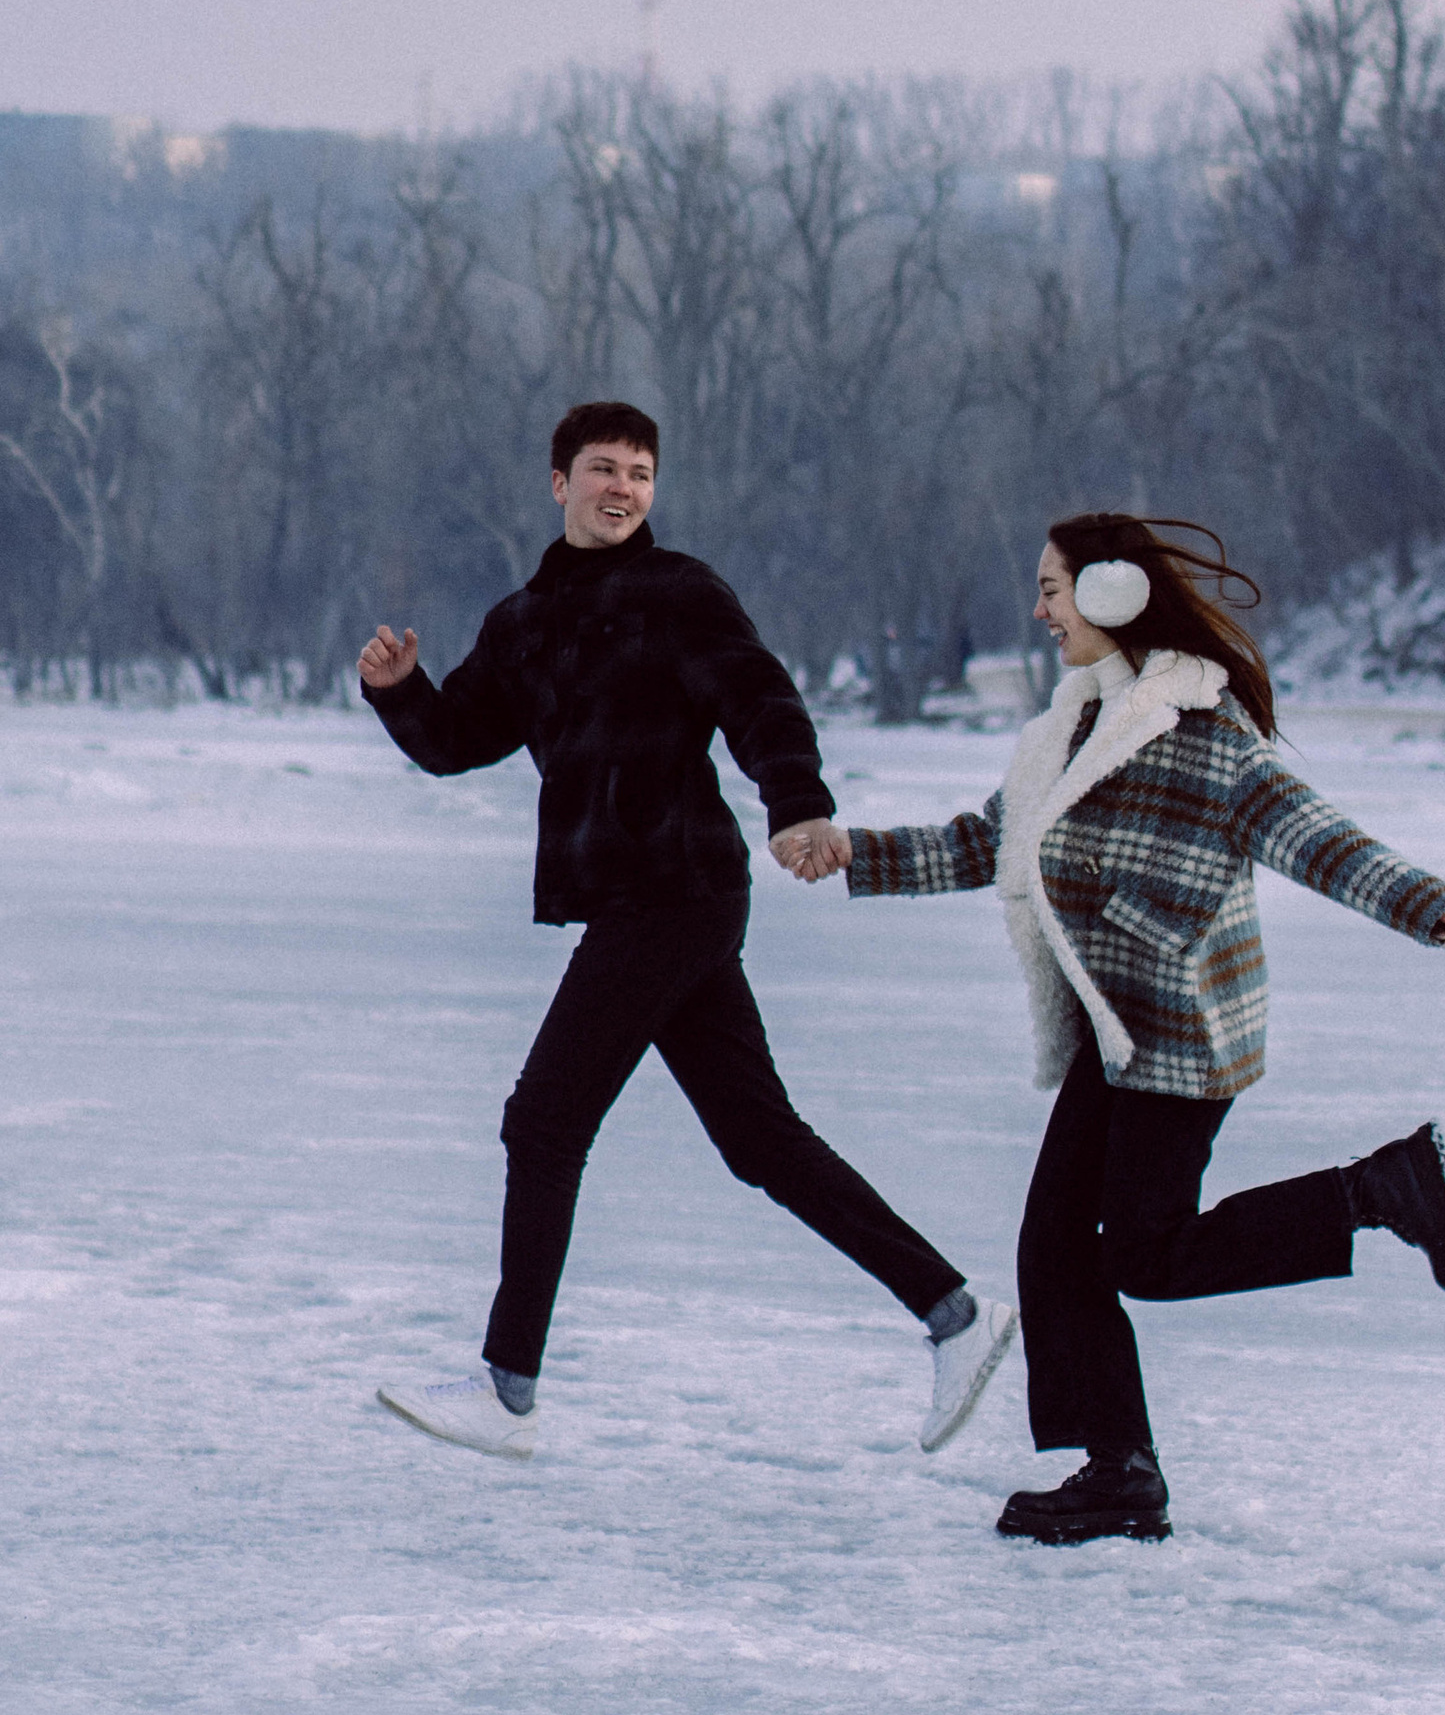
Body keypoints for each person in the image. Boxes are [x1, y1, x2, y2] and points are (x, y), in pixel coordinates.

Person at [785, 511, 1445, 1546]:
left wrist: (1422, 903)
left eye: (1053, 588)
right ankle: (1119, 1472)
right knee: (1055, 1248)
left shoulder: (1202, 735)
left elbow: (1311, 833)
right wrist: (855, 852)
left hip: (1186, 1040)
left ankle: (1377, 1190)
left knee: (1143, 1257)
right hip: (1116, 1036)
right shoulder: (1064, 732)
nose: (1039, 610)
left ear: (1112, 595)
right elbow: (991, 842)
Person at [357, 401, 1016, 1458]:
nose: (623, 488)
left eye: (641, 474)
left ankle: (506, 1391)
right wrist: (397, 694)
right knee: (759, 1140)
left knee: (543, 1122)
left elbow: (762, 701)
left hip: (677, 892)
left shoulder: (678, 592)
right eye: (604, 469)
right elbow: (457, 739)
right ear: (558, 481)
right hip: (635, 901)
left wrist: (795, 800)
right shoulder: (521, 621)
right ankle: (957, 1314)